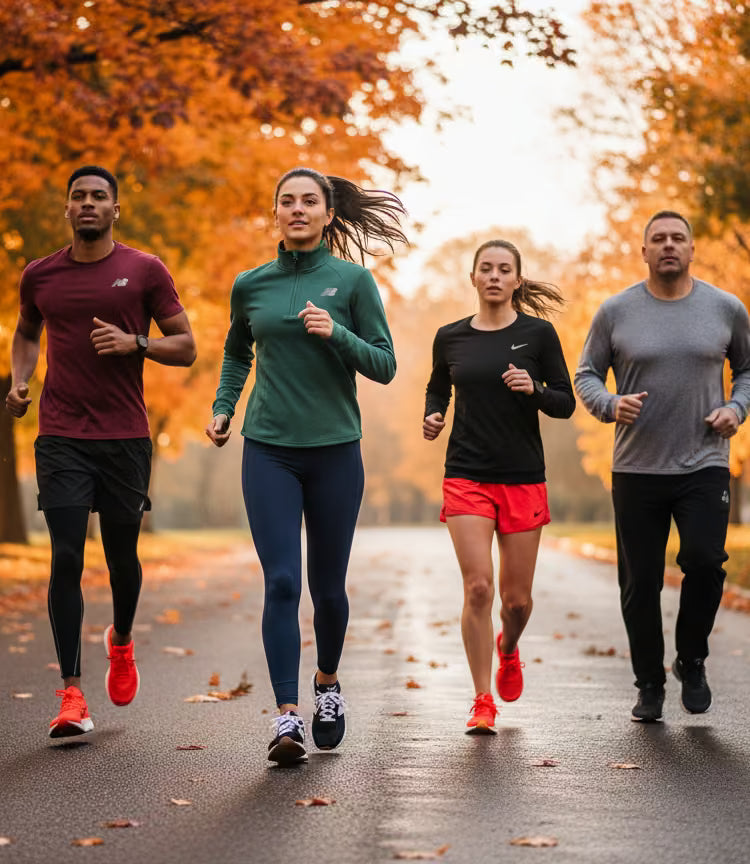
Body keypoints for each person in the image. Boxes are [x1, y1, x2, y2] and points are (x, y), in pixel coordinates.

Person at [206, 167, 405, 764]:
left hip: (335, 451)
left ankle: (326, 685)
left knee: (328, 590)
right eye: (286, 202)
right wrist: (222, 408)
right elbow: (237, 351)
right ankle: (287, 714)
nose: (297, 209)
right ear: (276, 214)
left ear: (326, 213)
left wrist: (337, 333)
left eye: (308, 201)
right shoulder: (251, 284)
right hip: (267, 446)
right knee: (282, 582)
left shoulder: (353, 282)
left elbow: (386, 365)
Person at [5, 166, 196, 738]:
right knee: (65, 557)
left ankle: (121, 640)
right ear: (66, 209)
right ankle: (70, 693)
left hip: (125, 438)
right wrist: (19, 381)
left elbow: (185, 346)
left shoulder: (144, 270)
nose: (88, 204)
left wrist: (136, 342)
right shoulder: (39, 275)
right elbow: (26, 331)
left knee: (121, 561)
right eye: (78, 196)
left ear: (116, 209)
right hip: (61, 434)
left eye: (99, 196)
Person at [575, 210, 750, 723]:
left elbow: (747, 370)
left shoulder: (725, 308)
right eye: (658, 239)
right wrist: (609, 404)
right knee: (641, 581)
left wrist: (735, 409)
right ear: (644, 251)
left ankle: (690, 660)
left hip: (705, 463)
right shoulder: (615, 311)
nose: (669, 245)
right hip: (636, 469)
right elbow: (586, 373)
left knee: (705, 561)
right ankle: (649, 682)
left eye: (678, 238)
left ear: (692, 249)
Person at [423, 239, 575, 734]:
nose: (493, 276)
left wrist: (534, 390)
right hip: (466, 474)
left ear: (516, 279)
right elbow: (437, 384)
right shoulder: (450, 337)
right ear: (472, 278)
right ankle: (482, 698)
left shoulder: (538, 334)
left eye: (503, 269)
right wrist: (434, 412)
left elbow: (565, 403)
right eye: (485, 268)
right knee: (479, 587)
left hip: (523, 477)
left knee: (516, 601)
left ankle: (508, 648)